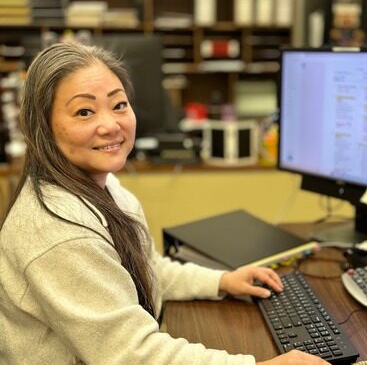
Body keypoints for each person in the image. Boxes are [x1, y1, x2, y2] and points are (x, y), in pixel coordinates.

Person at [0, 42, 330, 365]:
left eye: (118, 105)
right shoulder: (59, 232)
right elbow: (131, 355)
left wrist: (220, 282)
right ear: (41, 127)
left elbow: (144, 269)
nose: (111, 125)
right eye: (84, 112)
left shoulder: (102, 186)